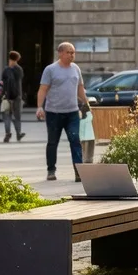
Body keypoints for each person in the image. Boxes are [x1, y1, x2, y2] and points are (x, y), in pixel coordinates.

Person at [36, 42, 88, 181]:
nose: (72, 55)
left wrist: (87, 103)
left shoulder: (76, 69)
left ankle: (79, 172)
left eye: (73, 52)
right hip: (54, 113)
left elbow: (80, 88)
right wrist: (39, 107)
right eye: (69, 52)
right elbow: (43, 89)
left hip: (72, 112)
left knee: (75, 140)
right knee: (53, 142)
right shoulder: (50, 70)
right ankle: (51, 170)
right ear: (60, 53)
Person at [1, 50, 24, 142]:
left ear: (9, 58)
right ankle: (18, 134)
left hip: (7, 96)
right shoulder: (19, 69)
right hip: (17, 96)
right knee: (17, 116)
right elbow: (18, 82)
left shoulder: (6, 70)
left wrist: (5, 94)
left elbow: (4, 83)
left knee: (7, 116)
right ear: (17, 59)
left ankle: (7, 134)